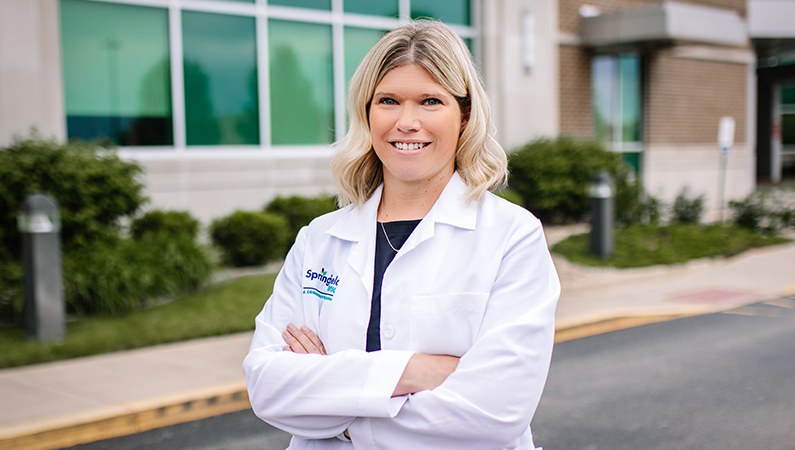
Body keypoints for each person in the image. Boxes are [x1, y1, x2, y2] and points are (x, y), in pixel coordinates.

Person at [243, 20, 560, 450]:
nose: (407, 122)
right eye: (388, 101)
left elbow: (494, 413)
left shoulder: (511, 237)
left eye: (431, 101)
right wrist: (415, 372)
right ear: (367, 112)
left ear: (464, 115)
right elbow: (267, 385)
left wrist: (342, 414)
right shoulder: (319, 239)